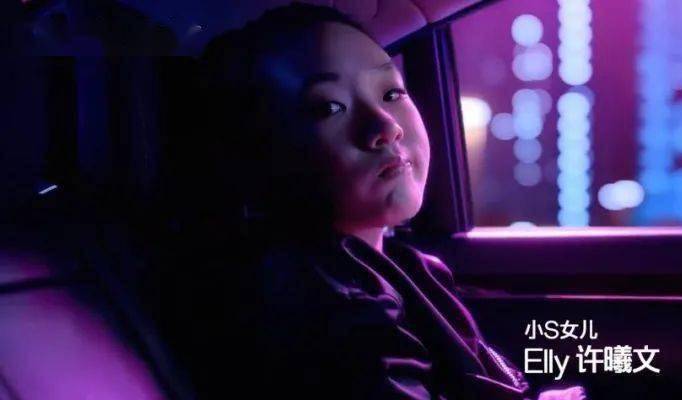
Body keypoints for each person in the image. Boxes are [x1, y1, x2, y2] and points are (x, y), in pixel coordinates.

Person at [184, 3, 586, 399]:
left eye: (392, 93)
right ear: (260, 151)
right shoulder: (329, 302)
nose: (386, 126)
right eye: (330, 107)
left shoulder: (399, 267)